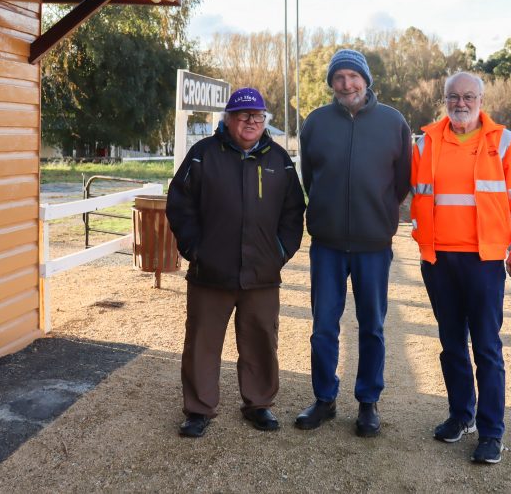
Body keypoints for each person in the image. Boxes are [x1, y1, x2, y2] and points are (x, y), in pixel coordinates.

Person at [410, 72, 511, 463]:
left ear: (482, 99)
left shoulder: (502, 143)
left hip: (484, 261)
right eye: (454, 96)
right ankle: (460, 416)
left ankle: (491, 432)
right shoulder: (425, 143)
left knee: (486, 347)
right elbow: (409, 194)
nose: (461, 103)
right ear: (445, 99)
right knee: (451, 345)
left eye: (469, 96)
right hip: (437, 260)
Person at [166, 87, 305, 437]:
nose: (251, 123)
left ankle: (258, 405)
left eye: (257, 117)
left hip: (261, 273)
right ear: (228, 119)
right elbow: (179, 205)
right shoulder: (202, 155)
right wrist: (195, 249)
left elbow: (293, 211)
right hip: (210, 272)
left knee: (261, 339)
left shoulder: (278, 159)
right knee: (202, 342)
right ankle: (198, 408)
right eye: (243, 116)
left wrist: (279, 252)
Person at [295, 49, 411, 437]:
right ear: (331, 83)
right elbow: (309, 178)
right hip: (327, 245)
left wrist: (376, 213)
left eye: (353, 76)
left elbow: (402, 182)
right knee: (323, 326)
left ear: (366, 79)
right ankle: (324, 399)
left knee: (372, 327)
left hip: (373, 245)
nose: (346, 84)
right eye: (339, 77)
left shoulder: (393, 122)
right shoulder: (316, 123)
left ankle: (368, 402)